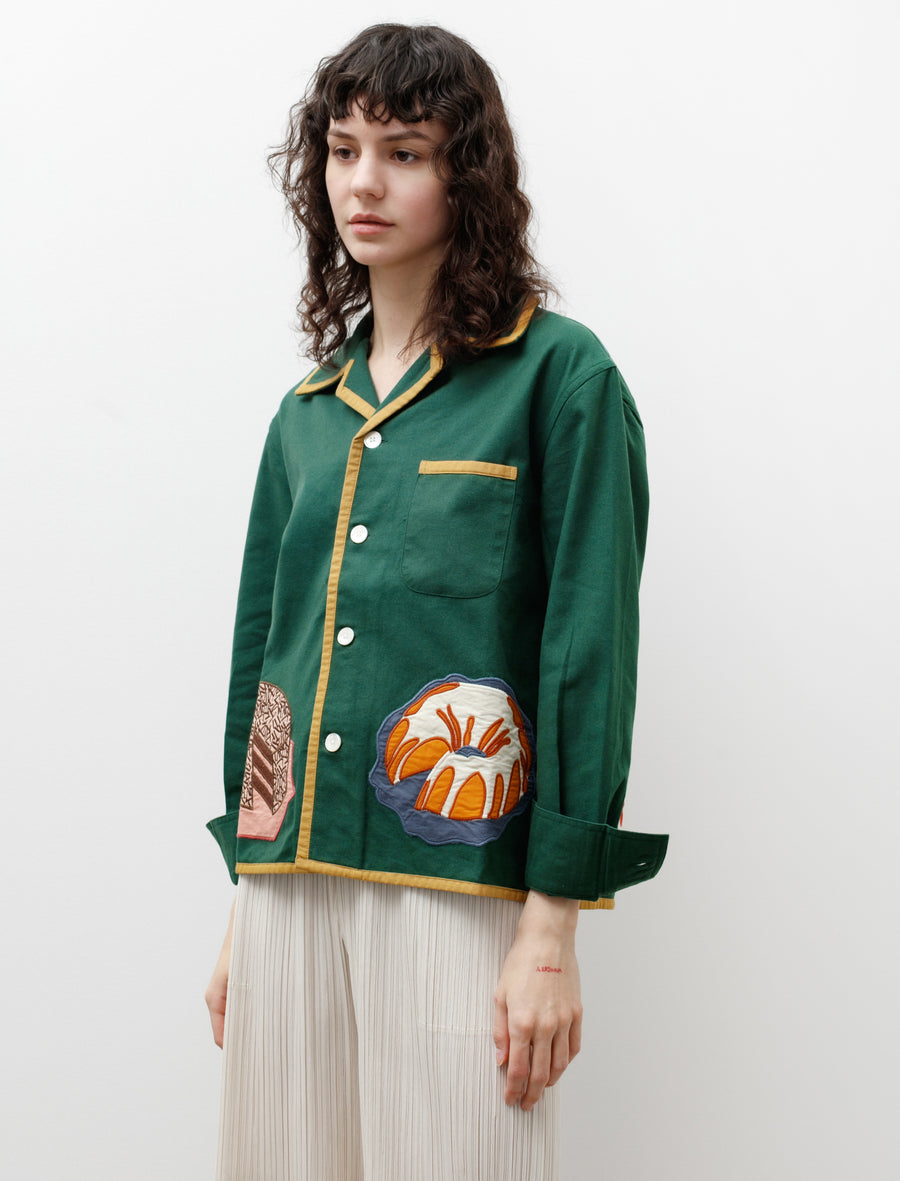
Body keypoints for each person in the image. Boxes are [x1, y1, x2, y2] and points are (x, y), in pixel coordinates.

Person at [205, 22, 668, 1181]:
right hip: (289, 889)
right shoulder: (306, 415)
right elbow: (268, 657)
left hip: (460, 884)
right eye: (343, 149)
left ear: (469, 172)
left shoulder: (560, 377)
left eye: (404, 152)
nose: (363, 182)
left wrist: (552, 923)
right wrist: (249, 893)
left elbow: (588, 648)